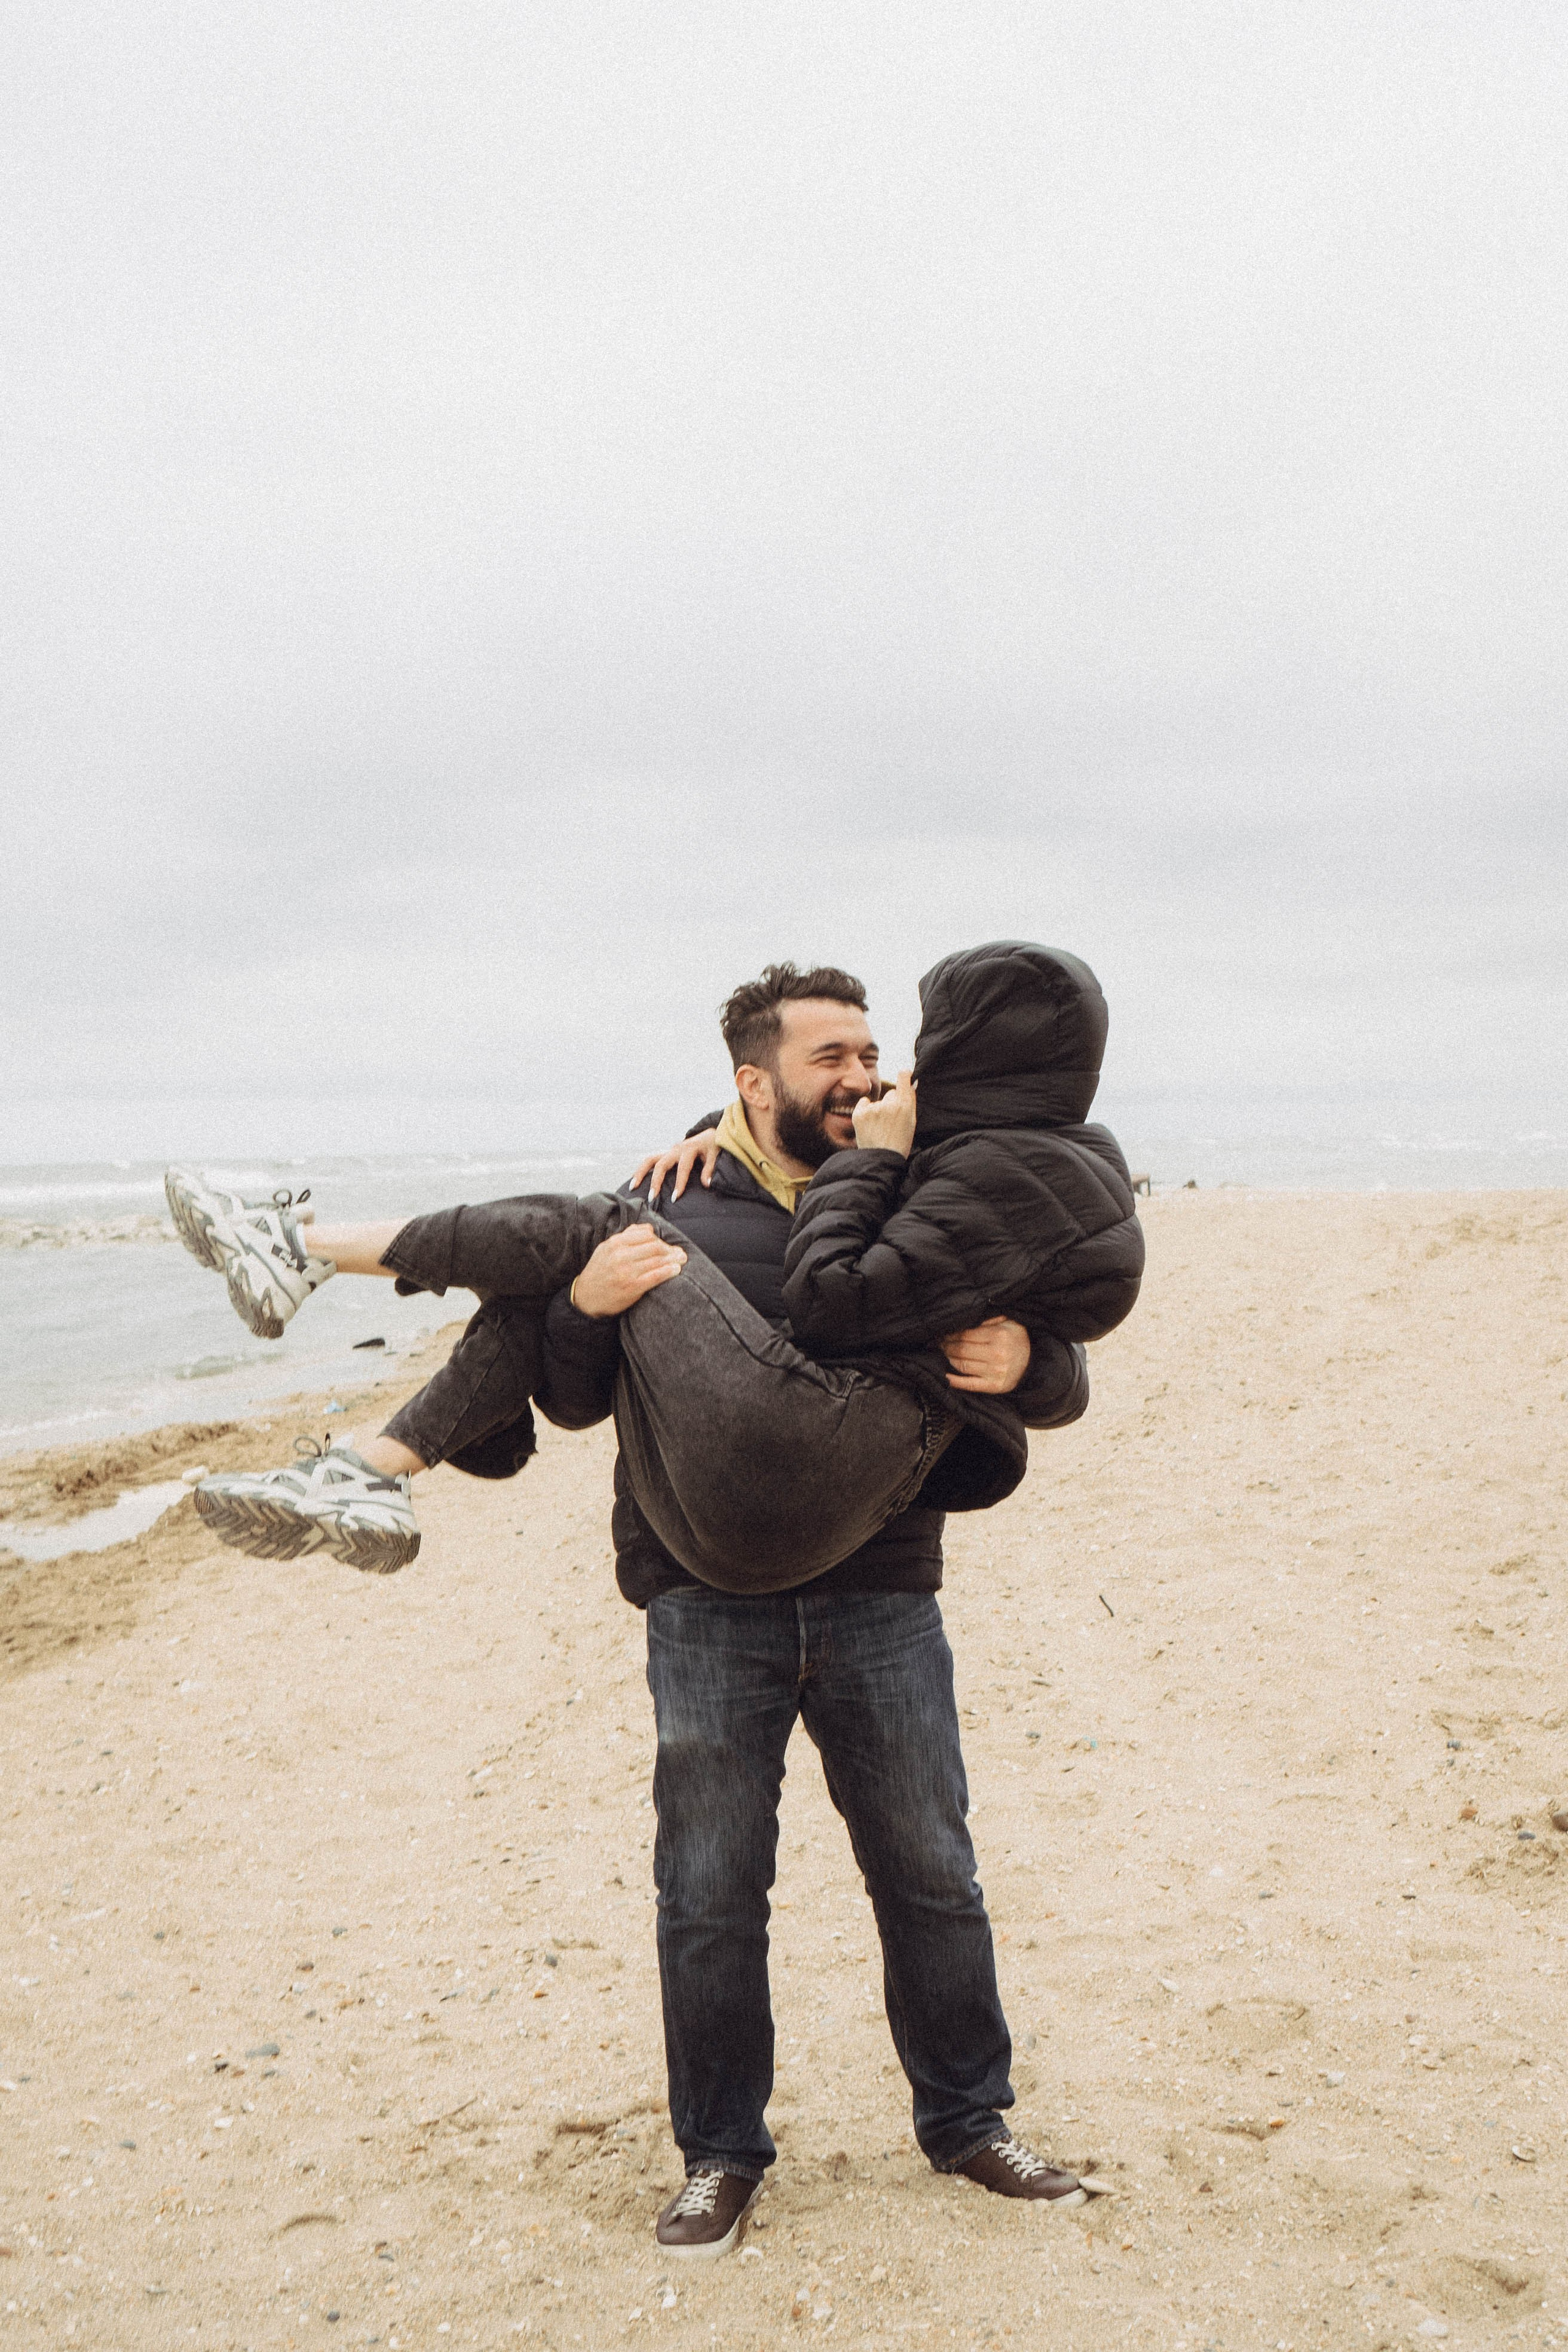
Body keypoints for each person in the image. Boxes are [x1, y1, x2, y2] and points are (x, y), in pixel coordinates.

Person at [167, 946, 1140, 1598]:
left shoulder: (926, 1171)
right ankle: (369, 1462)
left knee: (928, 1870)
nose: (867, 1079)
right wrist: (586, 1308)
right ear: (753, 1086)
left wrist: (1030, 1363)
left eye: (877, 1055)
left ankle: (304, 1261)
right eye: (832, 1058)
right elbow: (579, 1404)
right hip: (698, 1581)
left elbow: (1041, 1338)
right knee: (709, 1897)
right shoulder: (688, 1188)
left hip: (878, 1576)